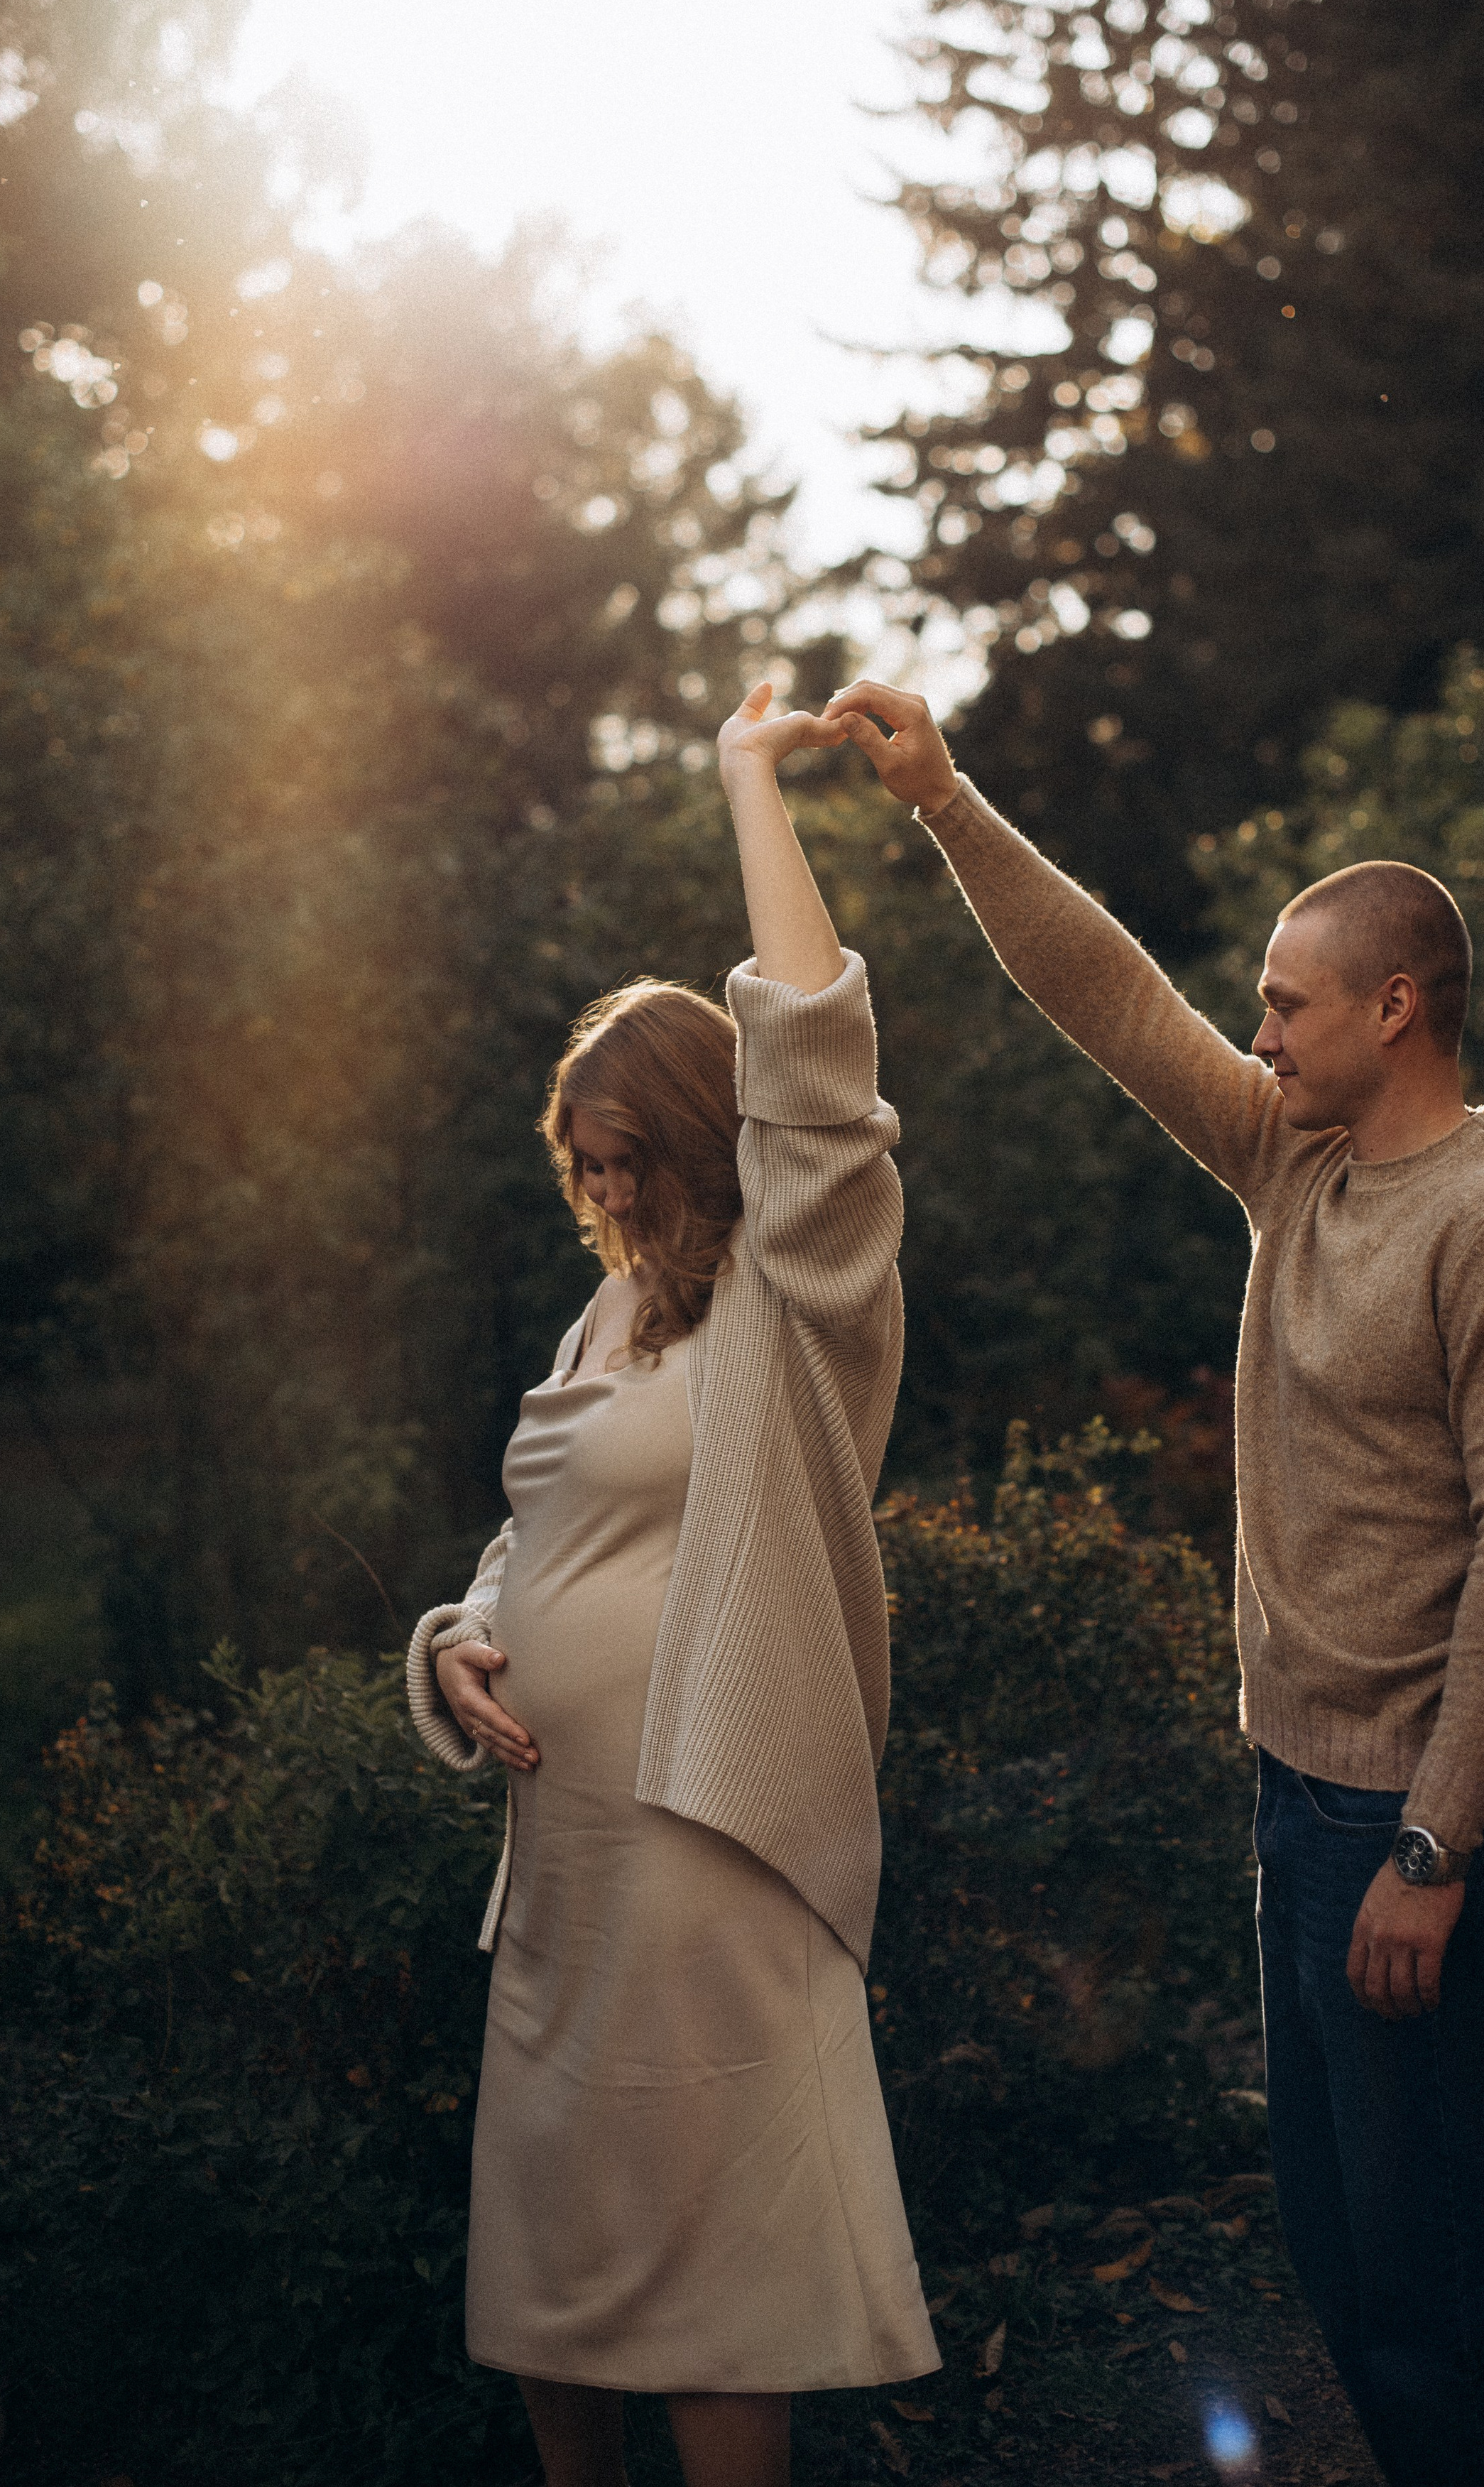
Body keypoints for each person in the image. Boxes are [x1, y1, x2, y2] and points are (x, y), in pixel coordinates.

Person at [825, 676, 1484, 2487]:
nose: (1252, 1025)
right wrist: (943, 800)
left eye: (1285, 998)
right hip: (1294, 1791)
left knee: (1439, 2271)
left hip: (1411, 1818)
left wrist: (1431, 1844)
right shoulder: (1294, 1161)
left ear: (1393, 1007)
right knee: (1344, 2252)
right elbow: (1106, 995)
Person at [406, 680, 938, 2487]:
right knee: (554, 2271)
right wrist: (464, 1638)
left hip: (711, 1853)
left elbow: (822, 1074)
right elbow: (542, 1524)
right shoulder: (615, 1305)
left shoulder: (796, 1309)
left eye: (627, 1161)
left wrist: (741, 779)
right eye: (582, 1170)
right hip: (565, 1880)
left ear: (705, 1142)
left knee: (717, 2277)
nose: (604, 1196)